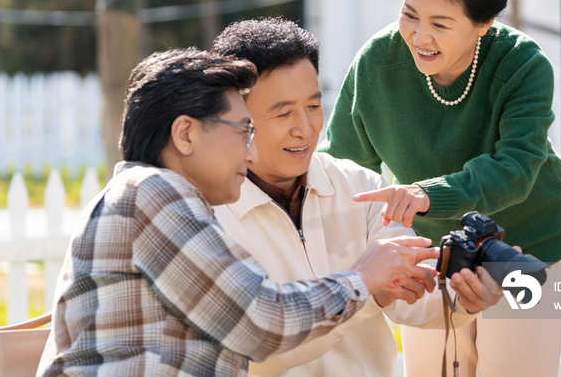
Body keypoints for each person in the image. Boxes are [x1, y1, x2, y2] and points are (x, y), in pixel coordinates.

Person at [36, 48, 439, 377]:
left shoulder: (149, 197)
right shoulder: (153, 192)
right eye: (242, 131)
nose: (249, 151)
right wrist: (362, 279)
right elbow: (261, 322)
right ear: (186, 134)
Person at [319, 0, 561, 377]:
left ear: (484, 23)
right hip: (432, 251)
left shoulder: (523, 65)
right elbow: (341, 167)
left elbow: (516, 169)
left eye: (440, 23)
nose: (420, 36)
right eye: (409, 14)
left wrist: (424, 194)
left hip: (525, 246)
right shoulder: (378, 61)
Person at [210, 18, 508, 377]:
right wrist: (363, 286)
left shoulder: (358, 186)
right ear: (235, 117)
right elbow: (252, 349)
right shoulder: (208, 214)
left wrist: (465, 297)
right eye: (283, 112)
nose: (304, 128)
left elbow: (415, 296)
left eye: (314, 106)